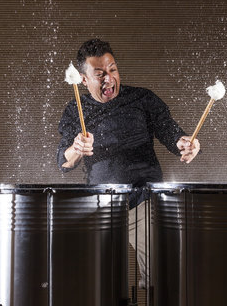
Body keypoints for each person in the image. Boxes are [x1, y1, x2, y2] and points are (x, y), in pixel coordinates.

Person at [57, 38, 200, 288]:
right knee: (96, 282)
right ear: (83, 79)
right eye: (99, 74)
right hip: (100, 205)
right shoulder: (75, 110)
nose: (108, 79)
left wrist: (185, 143)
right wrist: (76, 149)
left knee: (163, 276)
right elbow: (64, 161)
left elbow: (171, 132)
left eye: (112, 69)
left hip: (144, 200)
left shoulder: (142, 99)